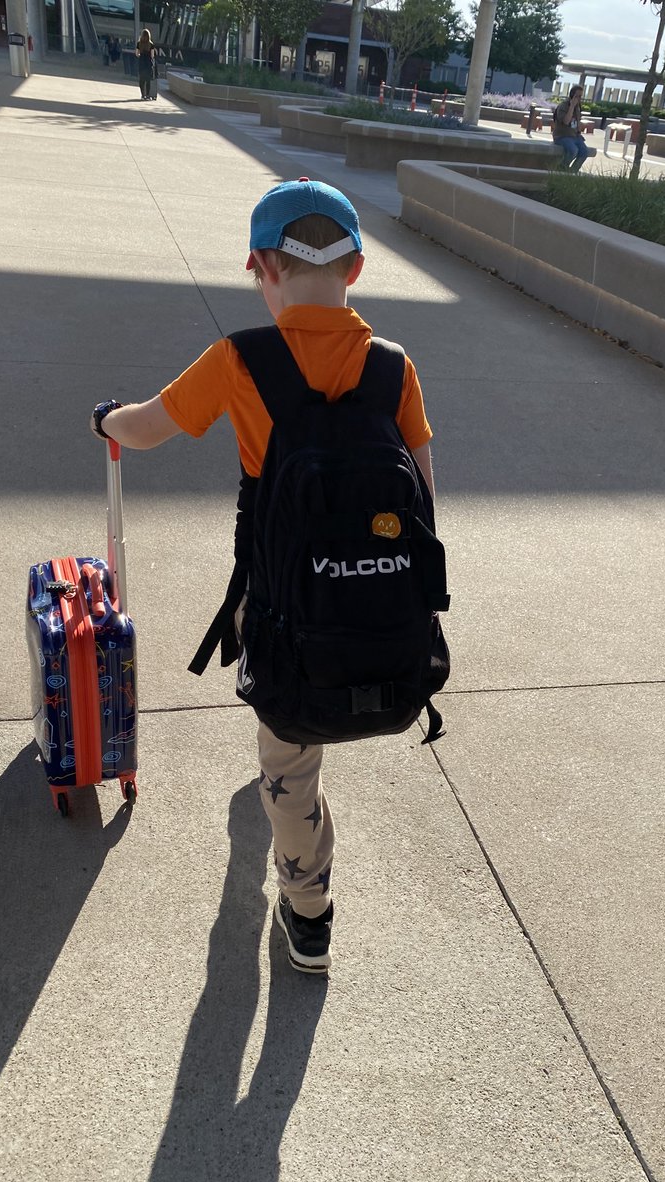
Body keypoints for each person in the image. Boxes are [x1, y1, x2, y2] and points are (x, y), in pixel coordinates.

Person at [89, 179, 436, 974]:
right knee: (315, 699)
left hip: (282, 601)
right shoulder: (394, 368)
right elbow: (423, 493)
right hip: (379, 611)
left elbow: (146, 428)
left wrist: (106, 418)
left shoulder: (241, 360)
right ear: (354, 270)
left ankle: (308, 913)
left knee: (289, 758)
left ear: (260, 266)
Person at [552, 85, 595, 172]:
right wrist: (571, 107)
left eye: (580, 96)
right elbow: (566, 121)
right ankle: (561, 169)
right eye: (577, 96)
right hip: (562, 136)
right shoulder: (563, 106)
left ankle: (572, 172)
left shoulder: (578, 107)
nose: (579, 99)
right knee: (573, 150)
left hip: (574, 136)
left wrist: (579, 130)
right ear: (572, 95)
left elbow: (577, 122)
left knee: (584, 152)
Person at [136, 29, 156, 100]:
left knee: (141, 80)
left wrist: (141, 55)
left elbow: (137, 54)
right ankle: (147, 95)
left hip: (141, 63)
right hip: (148, 64)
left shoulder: (139, 43)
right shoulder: (151, 44)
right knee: (148, 80)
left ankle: (142, 95)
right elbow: (152, 55)